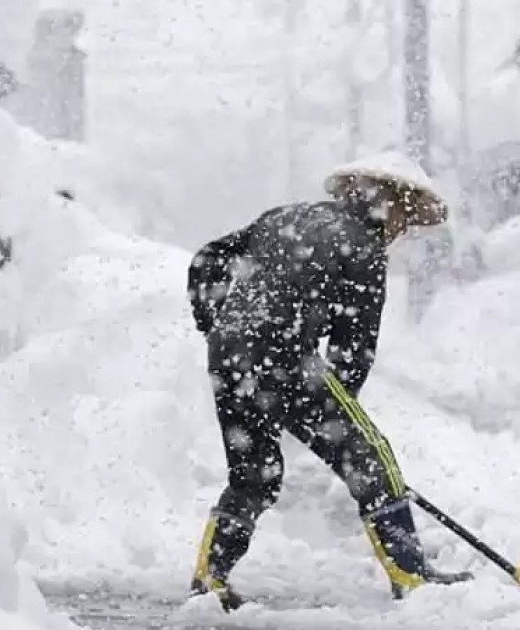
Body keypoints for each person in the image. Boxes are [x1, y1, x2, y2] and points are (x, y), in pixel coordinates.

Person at [185, 152, 473, 610]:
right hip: (286, 359)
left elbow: (208, 259)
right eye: (405, 218)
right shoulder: (363, 247)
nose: (402, 230)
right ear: (392, 204)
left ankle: (210, 575)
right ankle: (411, 574)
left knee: (254, 475)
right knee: (374, 458)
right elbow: (353, 351)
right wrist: (337, 422)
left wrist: (217, 326)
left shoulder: (285, 217)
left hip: (228, 357)